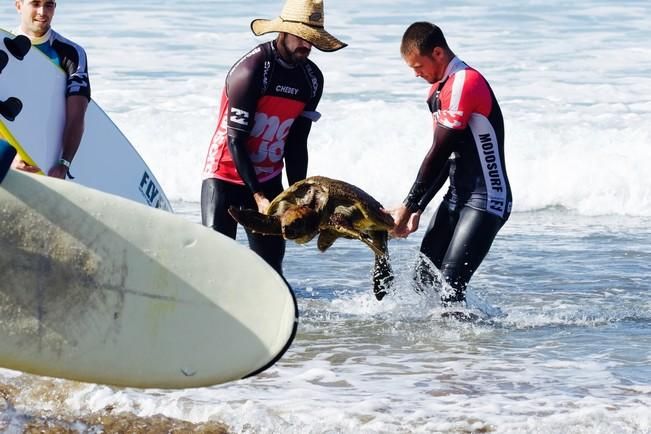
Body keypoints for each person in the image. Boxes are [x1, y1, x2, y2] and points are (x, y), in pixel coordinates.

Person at [200, 0, 346, 275]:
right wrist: (257, 196)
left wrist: (300, 193)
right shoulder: (253, 70)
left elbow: (296, 143)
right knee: (214, 261)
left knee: (271, 267)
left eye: (313, 39)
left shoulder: (311, 79)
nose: (308, 45)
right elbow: (236, 141)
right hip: (225, 177)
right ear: (284, 31)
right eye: (303, 37)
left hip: (268, 180)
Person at [390, 22, 512, 305]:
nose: (416, 74)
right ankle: (437, 349)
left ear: (438, 53)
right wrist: (418, 208)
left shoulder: (464, 83)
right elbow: (448, 157)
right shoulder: (437, 91)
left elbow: (439, 151)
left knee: (449, 286)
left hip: (487, 199)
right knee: (423, 280)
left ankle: (468, 348)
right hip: (456, 197)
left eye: (418, 66)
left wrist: (406, 206)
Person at [10, 0, 90, 179]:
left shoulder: (71, 53)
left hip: (47, 161)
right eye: (35, 3)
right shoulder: (2, 46)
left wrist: (64, 163)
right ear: (18, 6)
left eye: (49, 5)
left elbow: (76, 115)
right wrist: (9, 156)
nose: (42, 11)